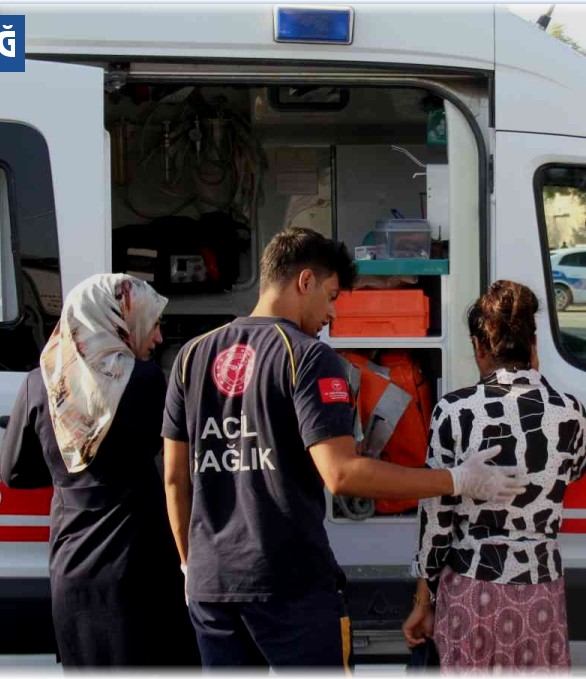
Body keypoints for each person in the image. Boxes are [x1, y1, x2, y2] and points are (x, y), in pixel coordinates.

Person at [162, 228, 526, 669]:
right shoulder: (307, 357)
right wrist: (457, 479)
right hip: (287, 583)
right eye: (332, 297)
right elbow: (342, 475)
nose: (332, 314)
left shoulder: (192, 355)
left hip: (210, 586)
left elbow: (174, 477)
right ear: (304, 282)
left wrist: (188, 563)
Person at [0, 273, 199, 668]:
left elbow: (13, 472)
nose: (157, 338)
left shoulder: (37, 383)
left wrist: (69, 473)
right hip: (140, 564)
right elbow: (178, 462)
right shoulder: (144, 381)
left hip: (73, 569)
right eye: (154, 323)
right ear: (119, 318)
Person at [402, 280, 586, 671]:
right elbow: (578, 468)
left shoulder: (454, 412)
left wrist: (424, 600)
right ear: (534, 342)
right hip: (541, 590)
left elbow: (437, 520)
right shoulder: (569, 413)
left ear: (478, 346)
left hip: (473, 588)